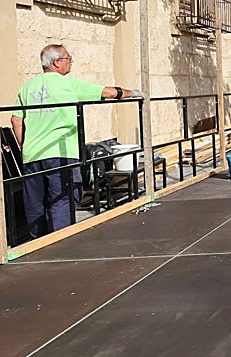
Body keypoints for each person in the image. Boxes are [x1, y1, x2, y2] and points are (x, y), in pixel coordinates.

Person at [11, 44, 140, 239]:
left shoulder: (27, 87)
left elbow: (16, 120)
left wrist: (23, 145)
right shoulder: (67, 84)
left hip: (33, 154)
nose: (71, 61)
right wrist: (134, 93)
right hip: (61, 152)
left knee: (35, 202)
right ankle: (61, 242)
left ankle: (37, 244)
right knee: (64, 197)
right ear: (57, 62)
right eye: (68, 58)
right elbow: (109, 93)